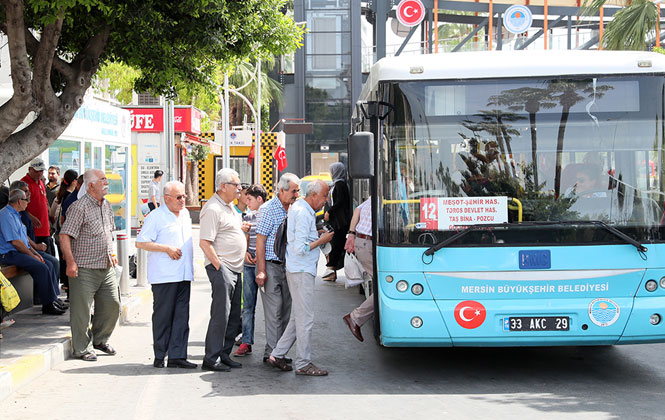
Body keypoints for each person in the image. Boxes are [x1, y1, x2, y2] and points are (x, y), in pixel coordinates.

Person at [266, 179, 334, 376]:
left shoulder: (301, 210)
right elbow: (300, 248)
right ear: (313, 195)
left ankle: (277, 354)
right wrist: (322, 240)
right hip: (301, 269)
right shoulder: (303, 213)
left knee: (298, 317)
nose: (326, 200)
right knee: (305, 319)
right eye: (324, 196)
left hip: (298, 269)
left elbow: (299, 240)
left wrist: (317, 235)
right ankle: (303, 363)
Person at [59, 169, 120, 361]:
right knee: (81, 310)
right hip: (84, 267)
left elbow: (109, 232)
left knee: (113, 305)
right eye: (103, 180)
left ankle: (100, 339)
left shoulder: (107, 205)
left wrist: (113, 254)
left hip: (106, 265)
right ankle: (82, 349)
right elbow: (64, 235)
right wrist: (70, 262)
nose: (106, 182)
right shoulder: (79, 207)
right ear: (91, 185)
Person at [136, 181, 196, 369]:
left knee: (181, 316)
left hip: (183, 274)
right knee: (163, 317)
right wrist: (166, 248)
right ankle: (160, 355)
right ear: (167, 198)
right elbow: (141, 242)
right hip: (164, 275)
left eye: (184, 196)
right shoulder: (156, 217)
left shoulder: (185, 214)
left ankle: (178, 355)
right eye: (178, 197)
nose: (182, 200)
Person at [199, 168, 250, 372]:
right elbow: (205, 242)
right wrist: (220, 266)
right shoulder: (212, 208)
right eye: (236, 184)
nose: (240, 188)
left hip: (235, 268)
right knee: (221, 314)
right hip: (223, 268)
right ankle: (211, 358)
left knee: (233, 314)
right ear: (223, 186)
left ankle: (223, 353)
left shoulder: (228, 206)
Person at [255, 173, 300, 364]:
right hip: (271, 267)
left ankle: (274, 351)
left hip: (288, 266)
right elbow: (260, 241)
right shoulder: (267, 209)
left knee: (286, 311)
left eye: (298, 191)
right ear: (281, 190)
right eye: (293, 191)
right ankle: (275, 353)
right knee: (274, 312)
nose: (297, 194)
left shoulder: (293, 209)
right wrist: (261, 270)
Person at [0, 189, 64, 315]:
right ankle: (47, 304)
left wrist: (35, 253)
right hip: (9, 254)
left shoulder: (16, 214)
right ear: (19, 201)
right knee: (41, 267)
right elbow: (16, 242)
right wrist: (32, 256)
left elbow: (24, 240)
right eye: (26, 200)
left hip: (18, 251)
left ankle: (52, 299)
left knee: (50, 264)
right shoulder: (5, 215)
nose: (28, 203)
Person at [234, 183, 267, 357]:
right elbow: (244, 238)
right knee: (247, 306)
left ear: (259, 199)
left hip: (266, 265)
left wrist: (262, 259)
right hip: (248, 265)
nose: (247, 202)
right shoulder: (246, 216)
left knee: (272, 308)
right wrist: (246, 252)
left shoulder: (268, 215)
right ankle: (246, 341)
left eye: (249, 199)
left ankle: (273, 346)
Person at [342, 197, 373, 342]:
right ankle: (355, 318)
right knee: (384, 286)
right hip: (368, 243)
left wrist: (352, 233)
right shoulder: (388, 195)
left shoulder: (373, 197)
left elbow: (357, 210)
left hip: (363, 241)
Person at [322, 162, 351, 282]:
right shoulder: (336, 184)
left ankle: (331, 268)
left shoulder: (340, 185)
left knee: (336, 244)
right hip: (337, 221)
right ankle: (331, 270)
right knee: (334, 244)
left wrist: (329, 212)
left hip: (340, 221)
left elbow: (339, 202)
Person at [50, 169, 78, 293]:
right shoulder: (70, 197)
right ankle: (67, 285)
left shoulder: (60, 194)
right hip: (65, 234)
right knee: (67, 258)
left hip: (58, 233)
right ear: (74, 181)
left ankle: (65, 284)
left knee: (63, 259)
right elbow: (63, 218)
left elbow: (51, 213)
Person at [21, 158, 53, 255]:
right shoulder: (24, 184)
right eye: (37, 171)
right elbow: (19, 206)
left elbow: (44, 200)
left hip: (44, 229)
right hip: (33, 231)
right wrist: (31, 217)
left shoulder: (40, 182)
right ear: (30, 169)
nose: (40, 173)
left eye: (41, 171)